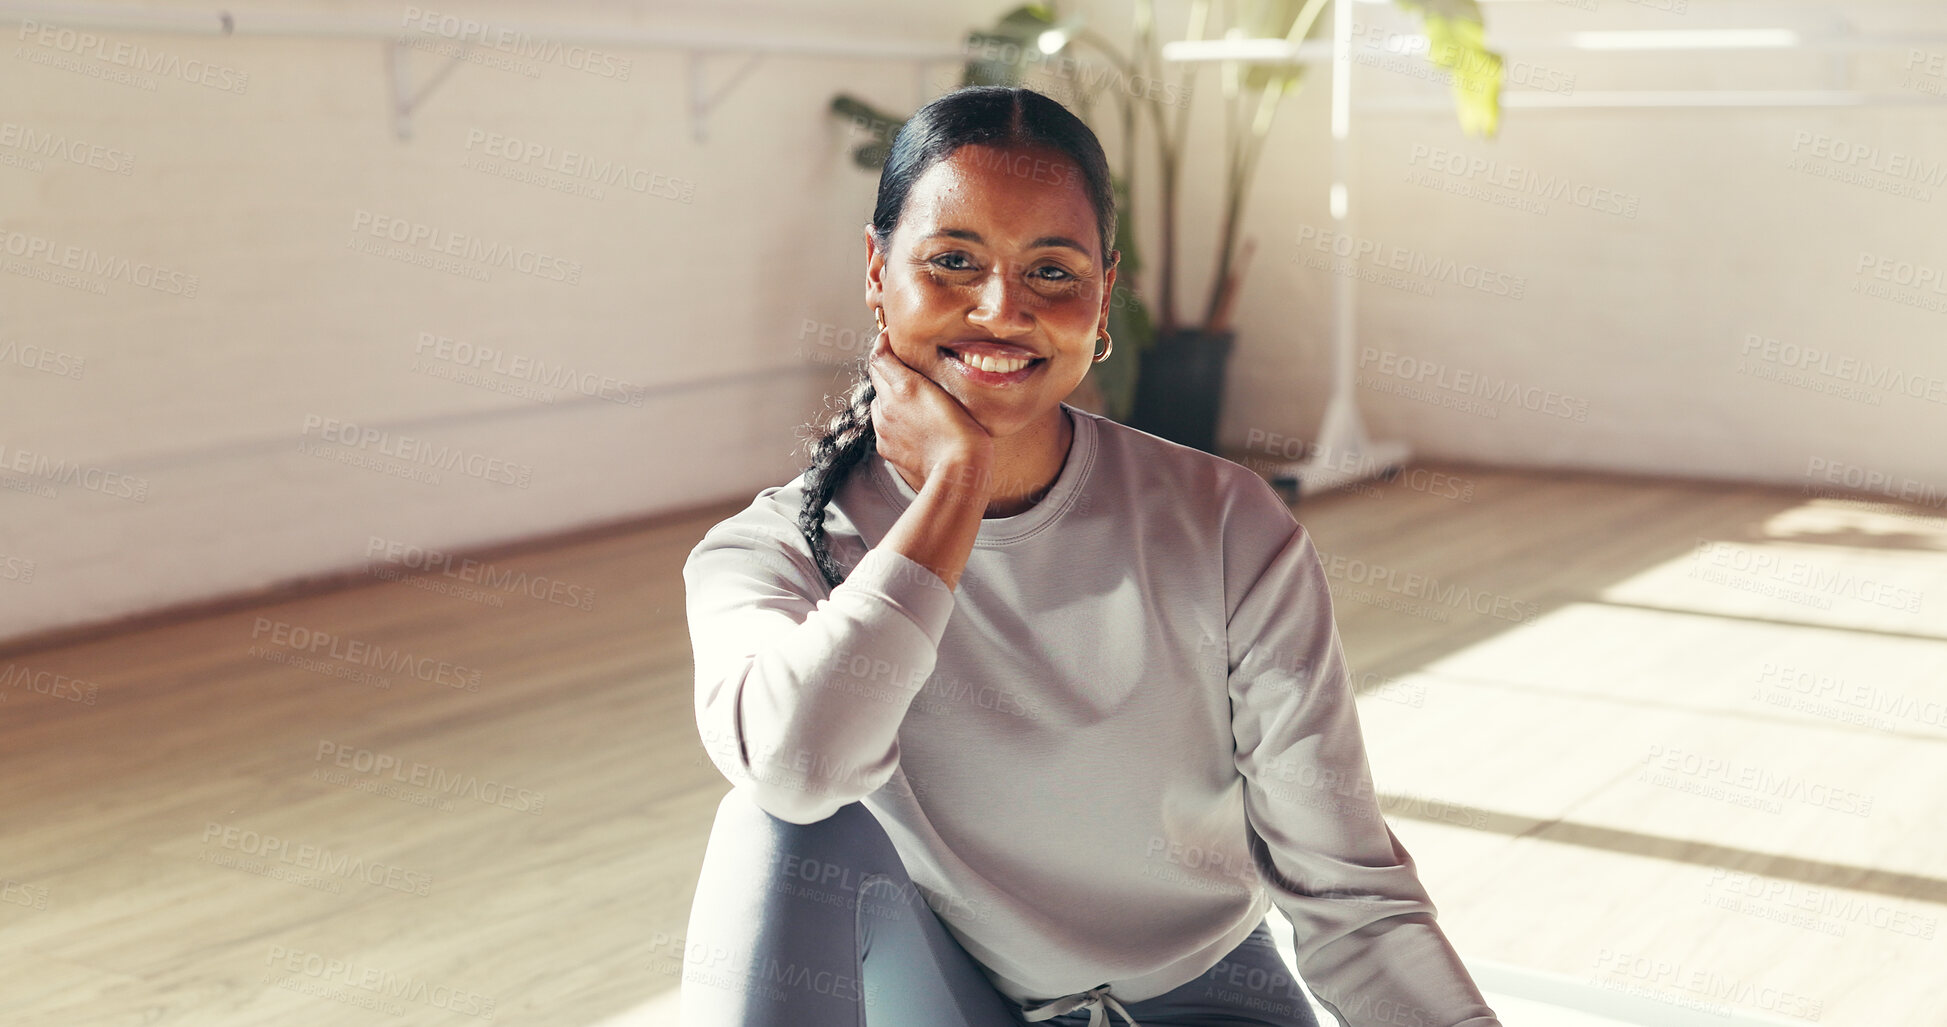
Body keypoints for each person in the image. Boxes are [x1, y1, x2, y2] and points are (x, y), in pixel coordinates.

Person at [680, 84, 1502, 1027]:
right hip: (952, 1006)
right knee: (777, 831)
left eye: (1051, 272)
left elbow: (1351, 900)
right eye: (953, 261)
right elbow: (796, 769)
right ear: (877, 270)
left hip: (1202, 1008)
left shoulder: (1227, 525)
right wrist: (956, 485)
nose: (1001, 308)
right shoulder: (767, 552)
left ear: (1104, 294)